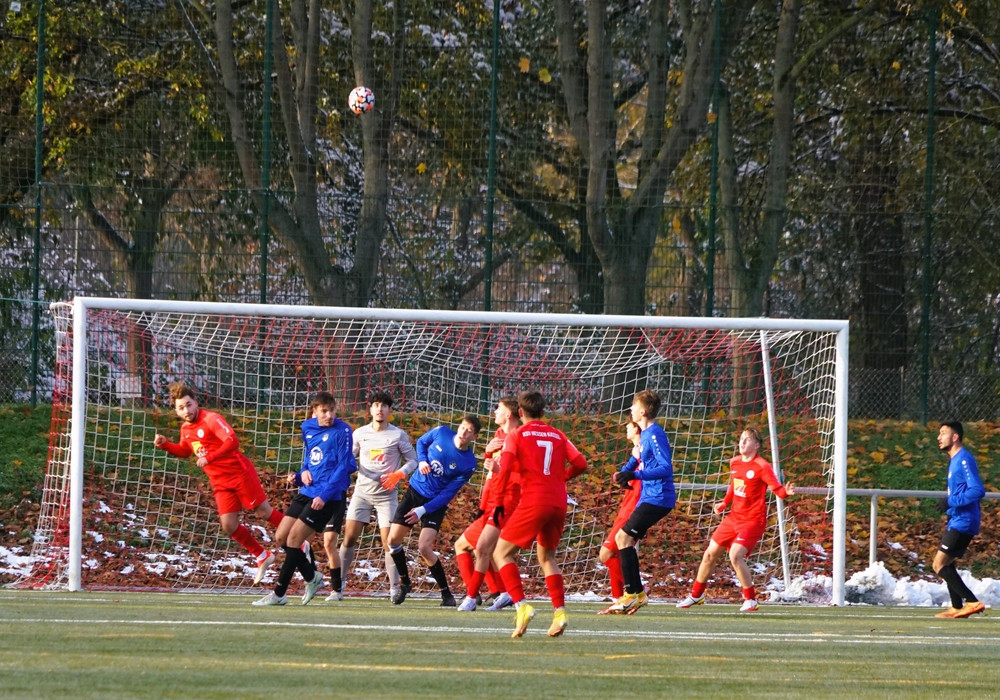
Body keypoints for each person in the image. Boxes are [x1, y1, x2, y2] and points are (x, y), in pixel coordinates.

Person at [153, 381, 284, 584]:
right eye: (181, 408)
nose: (186, 410)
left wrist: (210, 457)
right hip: (220, 483)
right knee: (229, 525)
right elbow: (185, 450)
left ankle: (298, 537)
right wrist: (165, 445)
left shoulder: (211, 419)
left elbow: (232, 441)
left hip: (239, 473)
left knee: (264, 512)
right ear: (176, 411)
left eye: (188, 405)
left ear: (196, 402)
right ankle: (262, 555)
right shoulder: (186, 429)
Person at [491, 390, 587, 638]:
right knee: (547, 557)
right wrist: (560, 478)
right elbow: (581, 463)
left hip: (535, 500)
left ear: (520, 412)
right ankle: (560, 613)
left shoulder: (516, 435)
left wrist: (498, 500)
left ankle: (522, 606)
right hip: (558, 502)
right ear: (543, 412)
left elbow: (506, 468)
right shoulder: (558, 434)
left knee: (501, 553)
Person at [253, 392, 356, 605]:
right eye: (324, 411)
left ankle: (279, 594)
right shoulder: (307, 427)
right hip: (308, 491)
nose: (329, 415)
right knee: (281, 537)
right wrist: (301, 474)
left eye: (332, 410)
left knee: (294, 539)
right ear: (314, 411)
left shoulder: (343, 431)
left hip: (328, 496)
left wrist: (324, 495)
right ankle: (312, 576)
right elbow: (311, 457)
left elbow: (344, 466)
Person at [676, 426, 794, 613]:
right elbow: (734, 485)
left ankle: (751, 600)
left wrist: (785, 492)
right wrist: (724, 503)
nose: (742, 442)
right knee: (709, 554)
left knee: (735, 555)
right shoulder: (735, 462)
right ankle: (696, 595)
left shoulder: (762, 466)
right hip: (733, 518)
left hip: (753, 520)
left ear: (756, 445)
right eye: (741, 439)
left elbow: (777, 490)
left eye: (747, 439)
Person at [329, 390, 417, 601]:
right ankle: (338, 587)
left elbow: (413, 460)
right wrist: (344, 468)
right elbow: (349, 457)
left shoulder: (398, 435)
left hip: (387, 496)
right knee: (349, 537)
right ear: (370, 409)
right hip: (362, 493)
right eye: (376, 405)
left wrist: (398, 474)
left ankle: (394, 588)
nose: (380, 409)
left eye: (384, 405)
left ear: (389, 410)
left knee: (389, 542)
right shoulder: (360, 433)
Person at [384, 415, 482, 606]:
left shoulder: (469, 463)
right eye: (463, 427)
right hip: (414, 492)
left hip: (435, 504)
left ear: (475, 437)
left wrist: (423, 510)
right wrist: (422, 461)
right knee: (392, 540)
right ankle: (406, 582)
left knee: (424, 547)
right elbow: (421, 442)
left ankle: (446, 594)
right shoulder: (442, 433)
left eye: (469, 431)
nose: (464, 432)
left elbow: (448, 494)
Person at [605, 390, 675, 615]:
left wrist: (635, 475)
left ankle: (632, 594)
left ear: (643, 411)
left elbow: (665, 467)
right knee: (624, 539)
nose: (631, 409)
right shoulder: (645, 435)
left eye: (634, 406)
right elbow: (637, 457)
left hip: (659, 498)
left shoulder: (655, 434)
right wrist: (623, 474)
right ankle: (636, 594)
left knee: (622, 538)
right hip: (650, 497)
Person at [454, 397, 521, 612]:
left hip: (506, 503)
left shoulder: (519, 438)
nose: (494, 412)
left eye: (498, 408)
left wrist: (498, 469)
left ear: (508, 414)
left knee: (483, 549)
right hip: (492, 502)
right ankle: (502, 593)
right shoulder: (499, 435)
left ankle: (473, 597)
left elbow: (521, 476)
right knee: (476, 548)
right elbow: (493, 473)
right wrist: (488, 453)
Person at [932, 421, 986, 619]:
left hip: (964, 520)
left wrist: (951, 501)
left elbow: (977, 490)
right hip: (957, 518)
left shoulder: (964, 459)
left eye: (943, 433)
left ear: (955, 437)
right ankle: (956, 606)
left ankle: (972, 601)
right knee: (948, 562)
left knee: (938, 565)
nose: (939, 437)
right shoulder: (955, 459)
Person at [596, 419, 643, 614]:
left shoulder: (645, 453)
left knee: (605, 554)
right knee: (615, 554)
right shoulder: (637, 453)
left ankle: (637, 591)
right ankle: (619, 599)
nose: (626, 428)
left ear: (637, 428)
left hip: (633, 511)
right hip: (627, 509)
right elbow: (626, 473)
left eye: (629, 425)